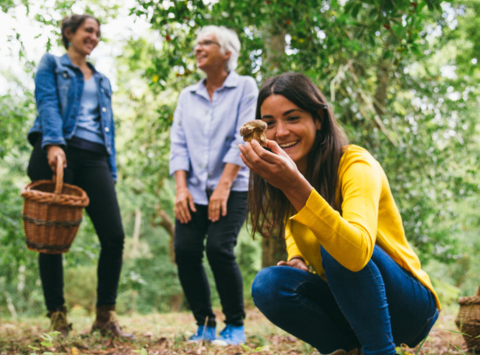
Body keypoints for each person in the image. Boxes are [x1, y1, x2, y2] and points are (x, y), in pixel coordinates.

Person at [239, 73, 440, 355]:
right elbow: (293, 222)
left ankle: (380, 351)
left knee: (335, 244)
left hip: (409, 309)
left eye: (293, 118)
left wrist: (294, 184)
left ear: (318, 120)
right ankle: (343, 349)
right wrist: (296, 257)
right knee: (268, 285)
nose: (281, 132)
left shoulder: (356, 165)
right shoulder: (287, 175)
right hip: (352, 310)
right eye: (269, 123)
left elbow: (355, 252)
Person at [27, 14, 131, 338]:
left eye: (98, 33)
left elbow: (108, 127)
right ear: (69, 33)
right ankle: (57, 318)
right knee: (51, 238)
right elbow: (46, 103)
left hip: (96, 157)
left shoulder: (101, 80)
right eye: (88, 30)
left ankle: (105, 317)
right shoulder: (52, 64)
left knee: (114, 236)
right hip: (61, 151)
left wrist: (110, 168)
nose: (94, 37)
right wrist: (54, 144)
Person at [168, 25, 258, 346]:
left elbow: (244, 136)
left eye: (206, 42)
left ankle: (235, 326)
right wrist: (181, 190)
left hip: (232, 187)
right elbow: (178, 145)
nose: (198, 47)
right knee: (185, 250)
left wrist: (223, 186)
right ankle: (204, 323)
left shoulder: (245, 87)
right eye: (197, 43)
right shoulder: (187, 96)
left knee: (219, 248)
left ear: (227, 53)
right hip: (192, 188)